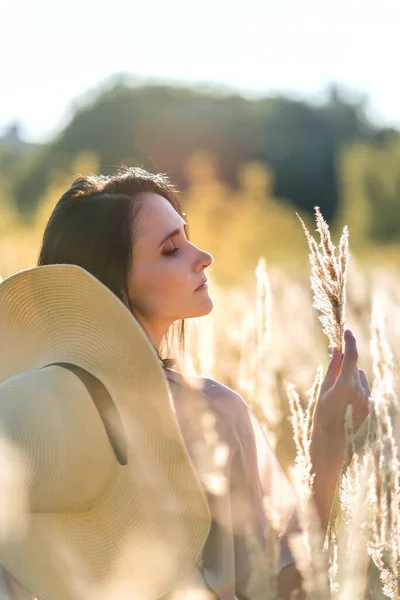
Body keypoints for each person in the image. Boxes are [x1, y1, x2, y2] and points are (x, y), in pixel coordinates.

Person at [0, 167, 370, 599]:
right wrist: (326, 443)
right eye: (171, 249)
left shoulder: (20, 404)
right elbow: (283, 590)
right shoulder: (209, 413)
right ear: (114, 285)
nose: (203, 256)